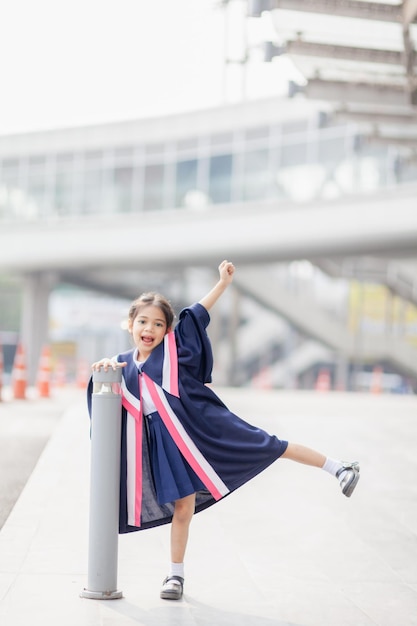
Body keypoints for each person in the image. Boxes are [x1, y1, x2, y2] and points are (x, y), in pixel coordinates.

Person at [90, 260, 360, 602]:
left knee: (269, 444)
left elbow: (197, 313)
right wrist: (106, 370)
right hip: (168, 448)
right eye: (143, 321)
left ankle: (339, 467)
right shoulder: (121, 365)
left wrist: (222, 283)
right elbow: (110, 406)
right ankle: (176, 576)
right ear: (130, 324)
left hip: (203, 428)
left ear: (166, 330)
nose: (149, 328)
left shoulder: (174, 351)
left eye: (158, 323)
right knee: (182, 508)